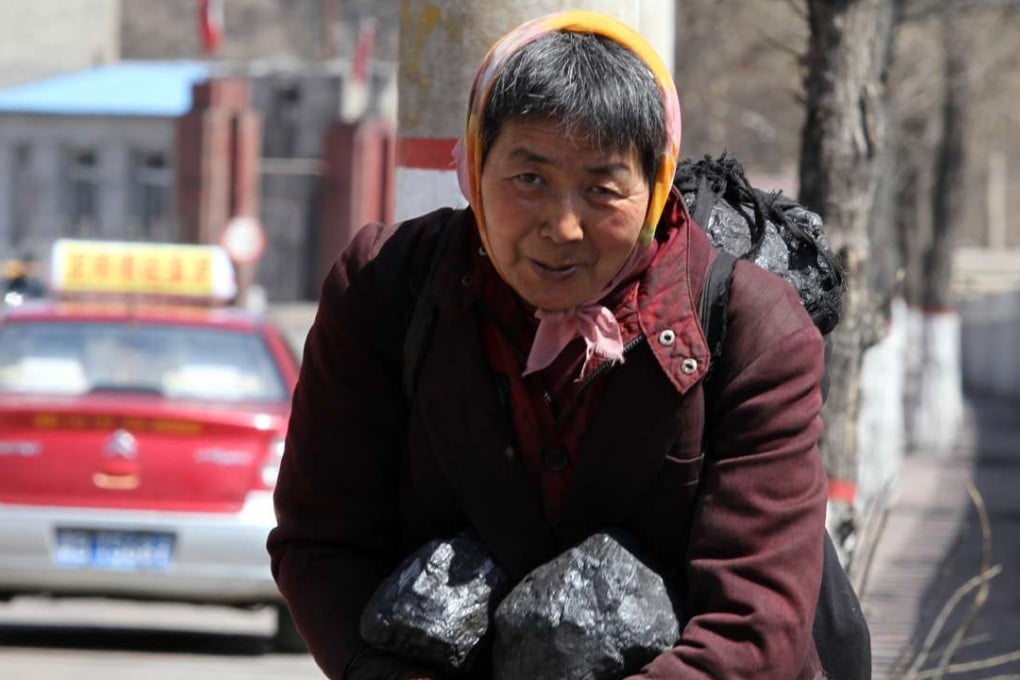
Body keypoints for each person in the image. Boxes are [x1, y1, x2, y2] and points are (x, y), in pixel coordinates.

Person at [269, 10, 828, 680]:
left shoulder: (753, 329)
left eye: (602, 189)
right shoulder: (384, 289)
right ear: (476, 166)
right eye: (528, 179)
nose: (563, 228)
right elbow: (322, 540)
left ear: (655, 188)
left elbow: (754, 623)